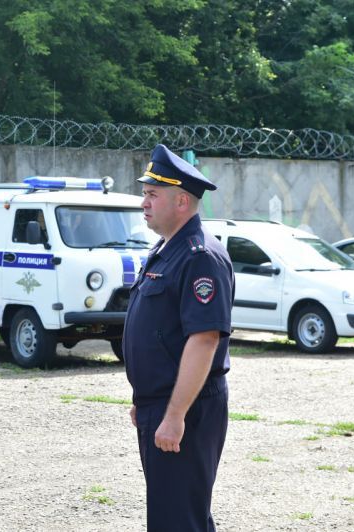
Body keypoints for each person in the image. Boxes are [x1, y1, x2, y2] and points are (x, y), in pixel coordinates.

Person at [122, 144, 235, 531]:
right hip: (162, 404)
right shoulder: (166, 250)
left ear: (182, 201)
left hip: (187, 408)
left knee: (178, 520)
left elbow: (203, 340)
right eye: (145, 194)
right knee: (176, 514)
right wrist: (147, 400)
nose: (144, 203)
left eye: (153, 195)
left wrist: (173, 415)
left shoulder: (199, 255)